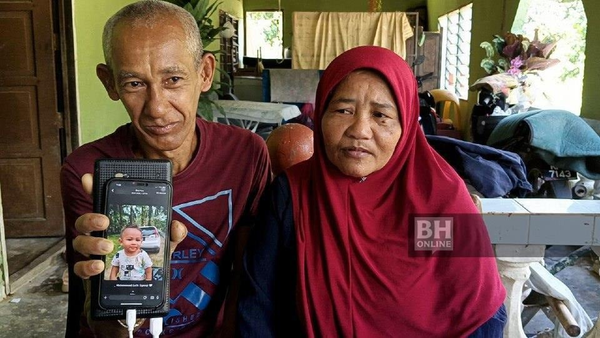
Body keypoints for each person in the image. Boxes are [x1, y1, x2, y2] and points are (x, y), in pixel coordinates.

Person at [237, 46, 507, 337]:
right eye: (343, 110)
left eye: (380, 115)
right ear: (321, 115)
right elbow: (257, 305)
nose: (360, 130)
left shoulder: (435, 201)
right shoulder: (294, 194)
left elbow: (478, 312)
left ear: (406, 126)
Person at [60, 1, 271, 337]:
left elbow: (245, 279)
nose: (157, 108)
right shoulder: (87, 170)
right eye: (134, 84)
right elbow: (103, 324)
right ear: (109, 83)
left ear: (204, 73)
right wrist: (114, 314)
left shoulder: (245, 154)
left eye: (173, 79)